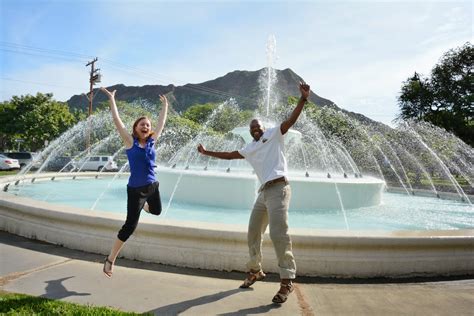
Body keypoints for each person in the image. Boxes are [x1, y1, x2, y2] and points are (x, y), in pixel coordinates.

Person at [197, 82, 310, 304]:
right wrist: (206, 152)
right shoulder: (249, 148)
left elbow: (291, 120)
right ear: (250, 132)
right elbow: (230, 155)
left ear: (263, 126)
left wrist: (303, 99)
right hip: (264, 192)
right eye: (252, 128)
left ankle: (287, 280)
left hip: (279, 188)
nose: (255, 129)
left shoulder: (274, 133)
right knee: (253, 232)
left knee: (279, 234)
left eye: (257, 125)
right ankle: (255, 270)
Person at [101, 87, 168, 278]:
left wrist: (165, 105)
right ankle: (111, 259)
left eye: (148, 125)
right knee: (130, 226)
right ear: (135, 128)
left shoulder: (153, 141)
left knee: (156, 211)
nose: (146, 127)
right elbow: (116, 121)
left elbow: (162, 122)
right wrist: (112, 99)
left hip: (153, 186)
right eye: (142, 125)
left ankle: (145, 207)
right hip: (136, 191)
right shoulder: (130, 142)